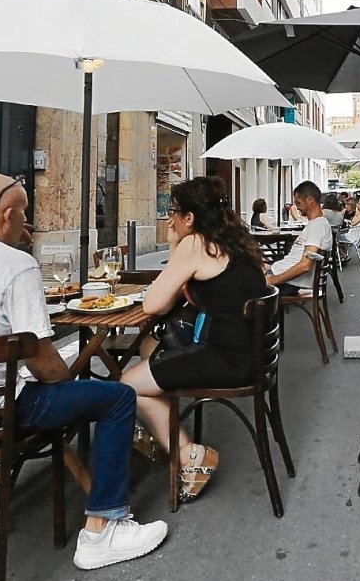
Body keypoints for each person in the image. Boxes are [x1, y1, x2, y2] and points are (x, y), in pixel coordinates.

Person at [0, 172, 167, 571]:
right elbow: (43, 364)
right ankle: (103, 528)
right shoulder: (15, 265)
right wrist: (72, 388)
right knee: (117, 398)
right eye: (24, 215)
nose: (29, 225)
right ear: (7, 216)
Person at [121, 177, 268, 504]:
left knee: (125, 386)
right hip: (249, 354)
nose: (170, 219)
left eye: (174, 212)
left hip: (224, 357)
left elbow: (153, 305)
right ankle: (159, 435)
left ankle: (189, 454)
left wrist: (176, 245)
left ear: (190, 217)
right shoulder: (235, 241)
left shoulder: (196, 244)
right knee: (149, 350)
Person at [266, 181, 333, 296]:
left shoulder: (316, 226)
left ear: (309, 200)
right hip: (283, 278)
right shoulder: (318, 224)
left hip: (285, 283)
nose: (296, 207)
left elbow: (305, 266)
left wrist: (271, 280)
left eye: (298, 202)